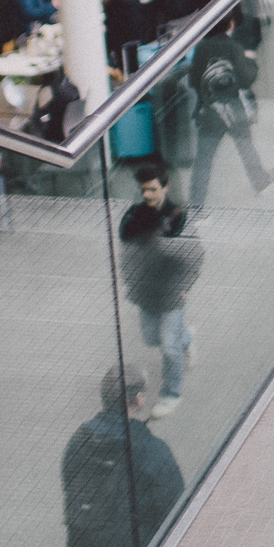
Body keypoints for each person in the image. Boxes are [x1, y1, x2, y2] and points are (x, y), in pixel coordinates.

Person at [61, 364, 185, 547]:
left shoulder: (79, 440)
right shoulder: (152, 450)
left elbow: (69, 482)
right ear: (138, 400)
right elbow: (176, 509)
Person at [117, 164, 199, 419]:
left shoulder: (178, 217)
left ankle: (172, 393)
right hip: (147, 293)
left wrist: (183, 287)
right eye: (144, 190)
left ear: (165, 187)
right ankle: (187, 338)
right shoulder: (137, 214)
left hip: (171, 294)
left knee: (168, 347)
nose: (148, 195)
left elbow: (194, 256)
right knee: (152, 338)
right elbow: (126, 245)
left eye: (153, 189)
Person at [189, 13, 274, 204]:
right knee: (246, 146)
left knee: (204, 158)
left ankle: (196, 202)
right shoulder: (234, 47)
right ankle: (259, 180)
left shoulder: (202, 47)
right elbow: (246, 78)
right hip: (235, 109)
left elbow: (194, 80)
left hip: (210, 111)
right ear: (230, 24)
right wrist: (251, 62)